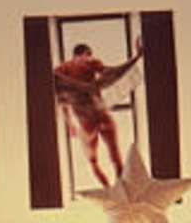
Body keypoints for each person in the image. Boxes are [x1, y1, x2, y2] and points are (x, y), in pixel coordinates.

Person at [53, 33, 146, 188]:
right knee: (116, 158)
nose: (87, 59)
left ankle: (108, 191)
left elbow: (61, 100)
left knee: (93, 162)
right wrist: (136, 58)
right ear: (85, 53)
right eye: (88, 55)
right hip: (102, 115)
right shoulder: (88, 63)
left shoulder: (63, 69)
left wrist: (70, 124)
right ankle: (121, 193)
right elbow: (111, 73)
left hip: (86, 122)